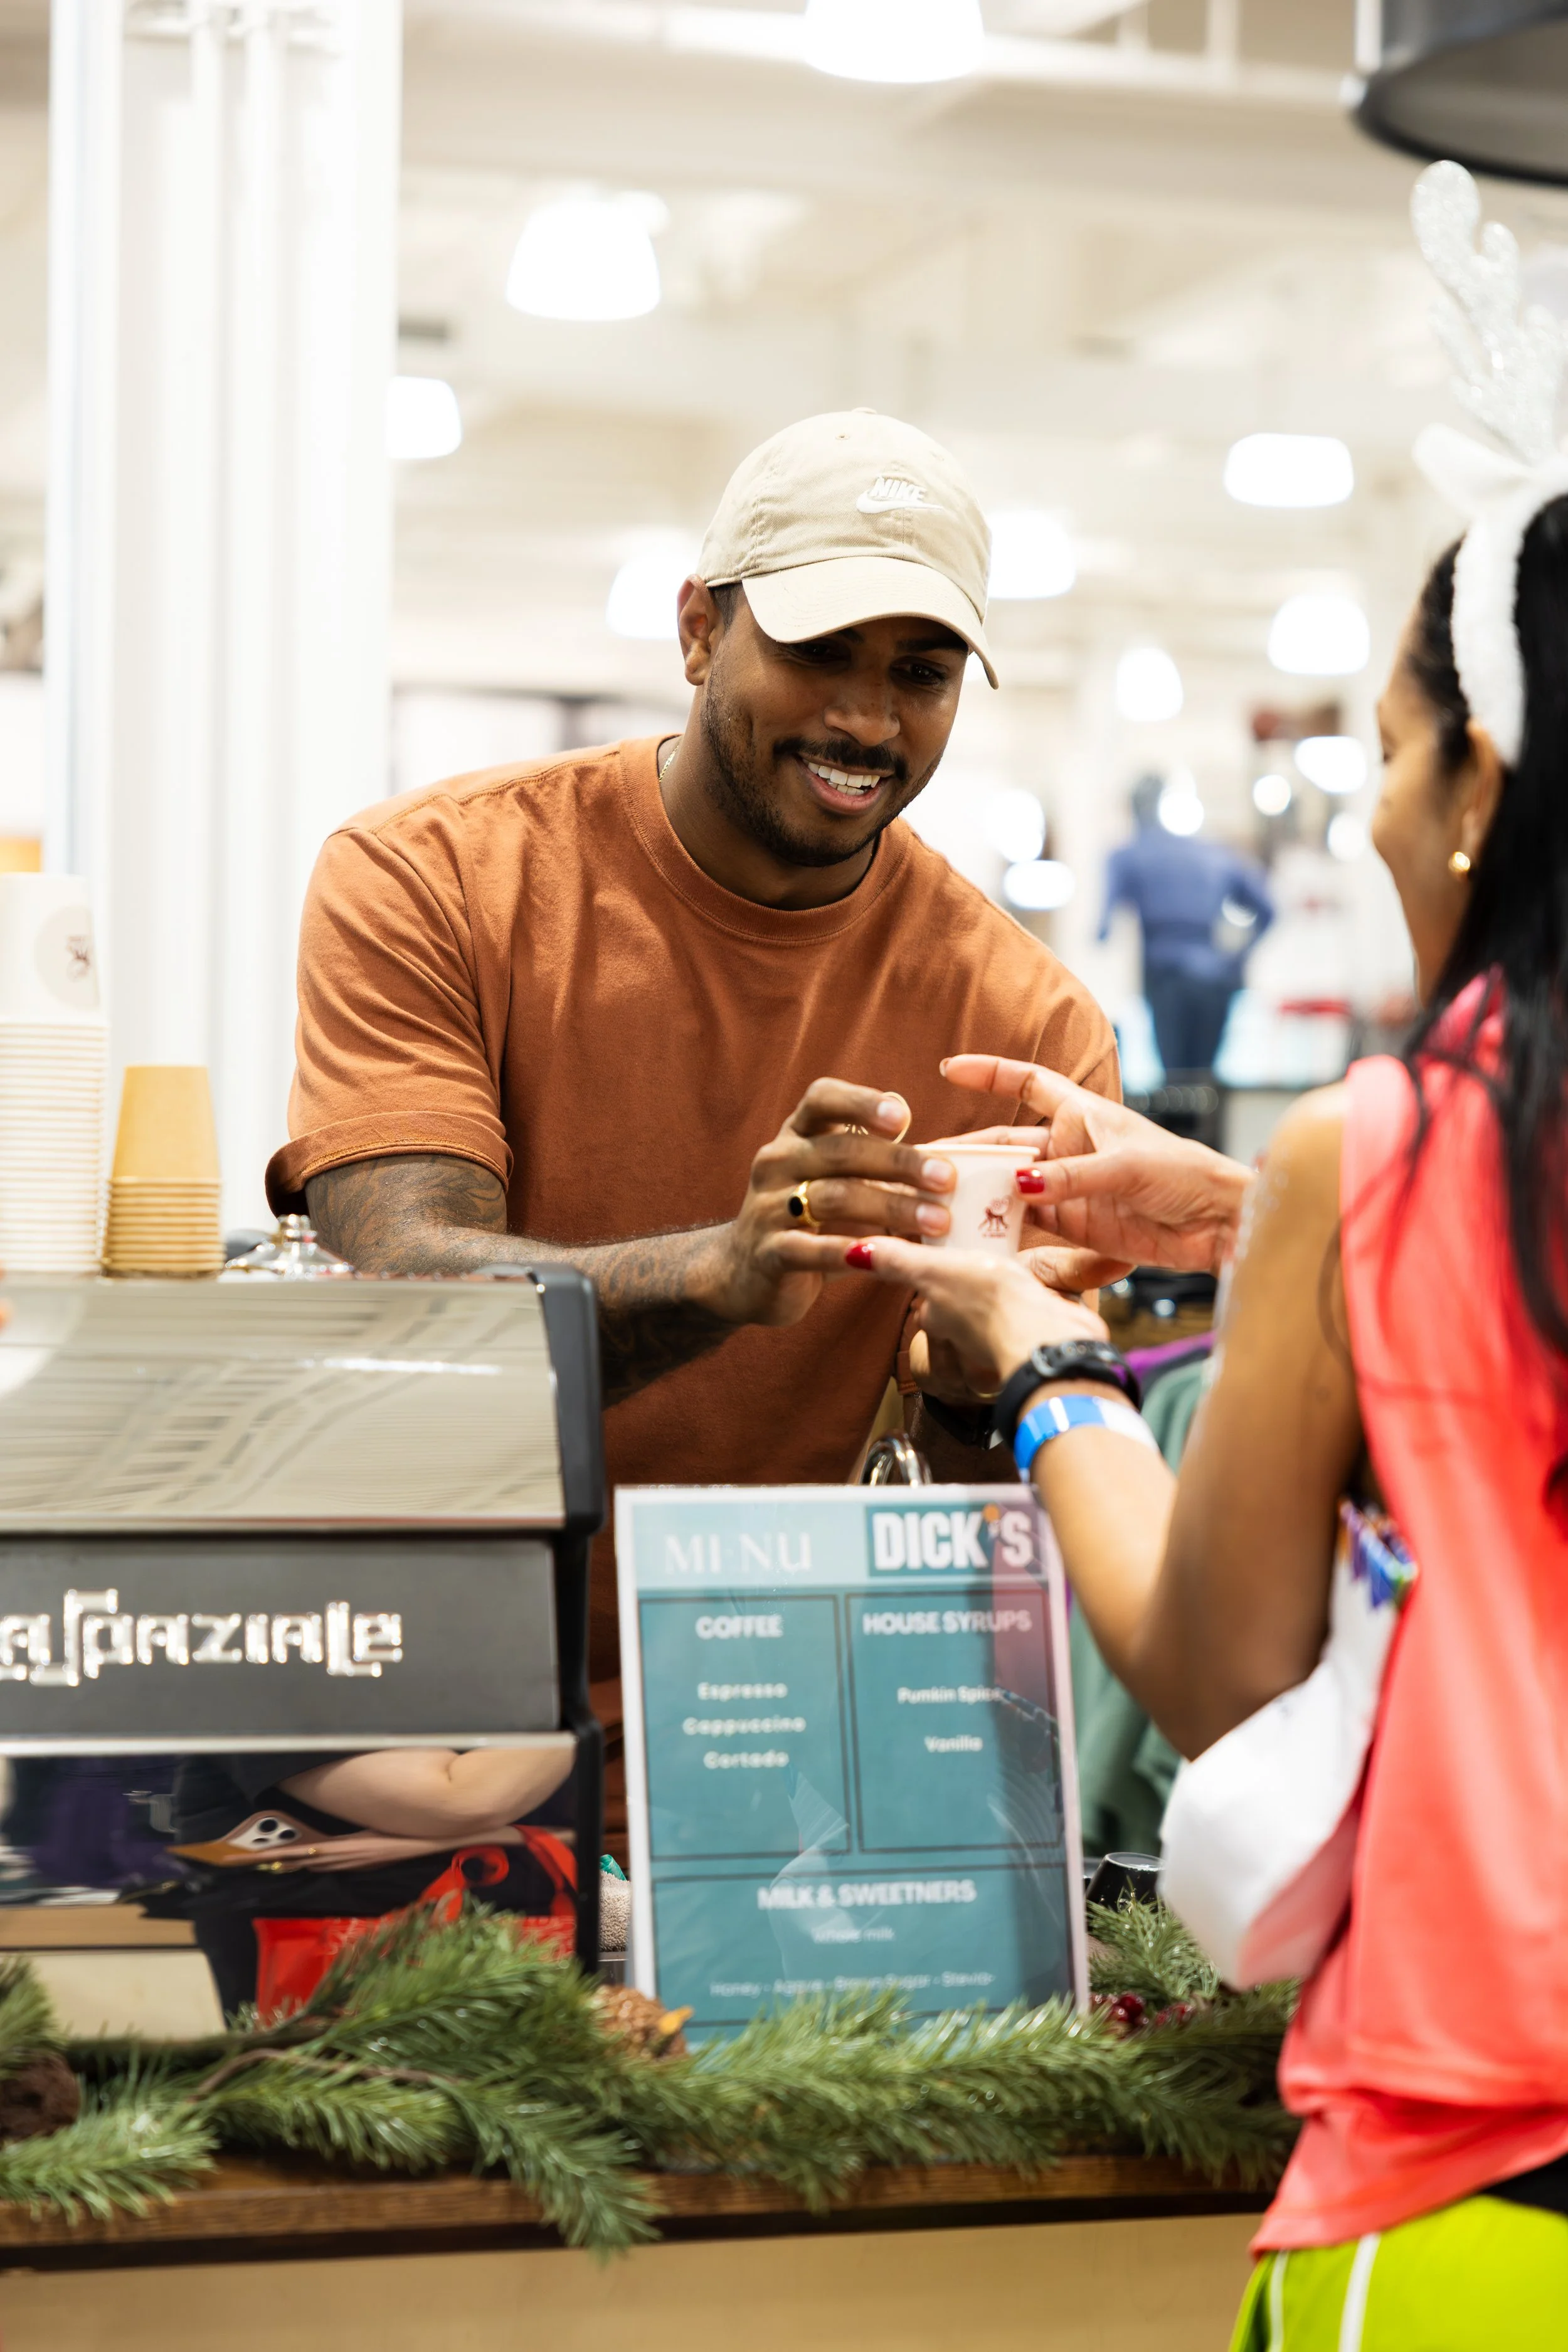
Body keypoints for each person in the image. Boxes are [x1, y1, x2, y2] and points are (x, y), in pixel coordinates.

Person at [805, 494, 1568, 2341]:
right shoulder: (1391, 1170)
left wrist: (1041, 1364)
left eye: (1384, 754)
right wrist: (1247, 1220)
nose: (1373, 815)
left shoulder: (1383, 1143)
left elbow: (1211, 1662)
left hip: (1483, 2153)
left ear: (1480, 776)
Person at [265, 408, 1118, 1850]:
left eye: (917, 672)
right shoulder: (432, 878)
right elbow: (406, 1299)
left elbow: (1001, 1537)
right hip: (412, 1739)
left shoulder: (1026, 1031)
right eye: (817, 653)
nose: (864, 718)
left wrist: (989, 1386)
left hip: (782, 1773)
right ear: (696, 632)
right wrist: (721, 1271)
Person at [1102, 773, 1274, 1076]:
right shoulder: (1215, 854)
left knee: (1176, 1083)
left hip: (1166, 976)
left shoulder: (1130, 855)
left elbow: (1102, 925)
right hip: (1216, 978)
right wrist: (1237, 959)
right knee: (1203, 1082)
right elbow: (1269, 910)